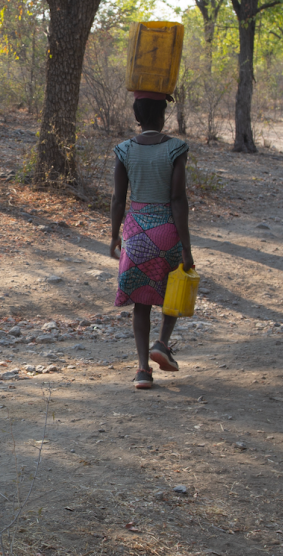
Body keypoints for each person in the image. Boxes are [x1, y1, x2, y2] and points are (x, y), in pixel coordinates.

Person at [109, 91, 194, 390]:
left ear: (136, 116)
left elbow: (119, 199)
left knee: (141, 304)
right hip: (166, 231)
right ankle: (162, 342)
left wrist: (113, 235)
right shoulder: (176, 148)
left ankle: (143, 370)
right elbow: (177, 198)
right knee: (174, 290)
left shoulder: (123, 150)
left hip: (135, 233)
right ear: (163, 116)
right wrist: (185, 246)